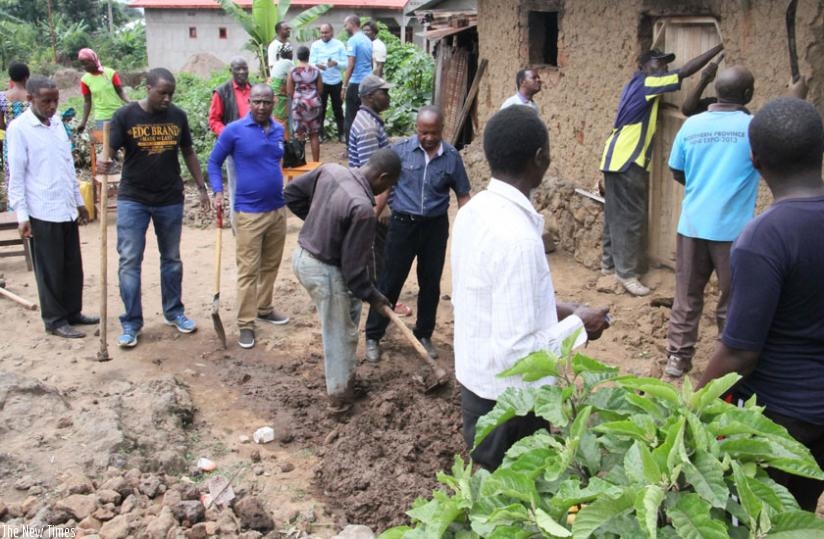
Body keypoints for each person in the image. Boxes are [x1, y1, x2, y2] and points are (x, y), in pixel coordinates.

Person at [452, 106, 610, 471]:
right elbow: (516, 353)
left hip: (478, 386)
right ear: (540, 158)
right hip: (511, 405)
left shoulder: (474, 213)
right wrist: (580, 327)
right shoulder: (519, 239)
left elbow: (493, 299)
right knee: (514, 501)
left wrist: (562, 308)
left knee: (489, 490)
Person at [697, 96, 824, 511]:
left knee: (745, 516)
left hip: (775, 422)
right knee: (799, 516)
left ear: (754, 160)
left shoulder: (764, 238)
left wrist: (691, 406)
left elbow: (740, 351)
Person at [599, 44, 723, 297]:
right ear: (643, 66)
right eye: (658, 63)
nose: (663, 68)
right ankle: (627, 274)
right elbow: (684, 72)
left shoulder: (635, 84)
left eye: (665, 64)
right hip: (628, 159)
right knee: (631, 218)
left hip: (614, 157)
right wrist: (717, 49)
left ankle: (608, 265)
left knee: (614, 214)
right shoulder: (647, 83)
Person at [285, 148, 401, 413]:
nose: (387, 192)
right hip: (323, 270)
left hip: (302, 256)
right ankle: (339, 401)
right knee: (339, 332)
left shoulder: (331, 170)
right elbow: (354, 273)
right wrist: (375, 296)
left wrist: (321, 223)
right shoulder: (362, 209)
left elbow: (291, 194)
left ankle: (347, 380)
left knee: (347, 320)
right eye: (390, 186)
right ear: (383, 177)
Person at [662, 66, 759, 379]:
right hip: (734, 232)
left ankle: (677, 359)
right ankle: (727, 359)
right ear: (747, 95)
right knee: (733, 299)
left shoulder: (692, 125)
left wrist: (701, 185)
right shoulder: (753, 128)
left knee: (687, 296)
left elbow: (676, 170)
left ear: (717, 91)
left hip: (691, 225)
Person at [107, 68, 211, 348]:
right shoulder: (125, 116)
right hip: (133, 198)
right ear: (148, 87)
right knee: (129, 260)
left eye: (171, 94)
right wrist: (107, 160)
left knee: (172, 258)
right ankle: (131, 322)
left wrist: (202, 188)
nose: (167, 99)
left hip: (169, 198)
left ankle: (174, 312)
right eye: (162, 92)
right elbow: (112, 151)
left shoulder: (177, 116)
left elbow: (188, 151)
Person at [364, 106, 471, 363]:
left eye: (434, 133)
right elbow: (384, 190)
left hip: (435, 228)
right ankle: (373, 336)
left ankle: (423, 334)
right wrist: (370, 221)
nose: (429, 138)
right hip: (402, 225)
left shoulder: (452, 157)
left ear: (442, 130)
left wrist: (470, 229)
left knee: (430, 283)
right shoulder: (399, 152)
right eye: (424, 132)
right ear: (416, 129)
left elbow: (463, 195)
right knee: (390, 280)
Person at [7, 76, 98, 338]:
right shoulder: (19, 128)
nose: (52, 106)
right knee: (50, 269)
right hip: (41, 210)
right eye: (46, 101)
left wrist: (79, 202)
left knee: (72, 265)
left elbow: (67, 166)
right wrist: (22, 215)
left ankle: (72, 312)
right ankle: (55, 320)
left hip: (65, 207)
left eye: (55, 100)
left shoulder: (57, 124)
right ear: (30, 99)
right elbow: (17, 175)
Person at [208, 84, 289, 349]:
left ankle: (264, 307)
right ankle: (245, 323)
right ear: (250, 102)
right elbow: (213, 162)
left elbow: (276, 160)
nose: (262, 107)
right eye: (257, 102)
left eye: (267, 102)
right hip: (249, 213)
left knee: (270, 265)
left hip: (277, 210)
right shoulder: (234, 131)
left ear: (273, 102)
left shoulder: (278, 129)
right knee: (248, 271)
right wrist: (218, 192)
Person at [208, 57, 251, 229]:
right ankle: (237, 227)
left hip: (254, 147)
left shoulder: (254, 90)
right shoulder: (222, 92)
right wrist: (228, 135)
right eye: (237, 69)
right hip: (234, 149)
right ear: (231, 71)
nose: (241, 72)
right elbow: (214, 120)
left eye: (244, 68)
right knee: (235, 188)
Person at [76, 48, 130, 133]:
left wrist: (130, 102)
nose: (84, 67)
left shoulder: (110, 73)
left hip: (118, 114)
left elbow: (120, 92)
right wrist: (83, 122)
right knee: (106, 144)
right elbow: (87, 102)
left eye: (86, 64)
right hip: (101, 117)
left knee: (122, 142)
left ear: (94, 60)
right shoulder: (85, 80)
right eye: (82, 64)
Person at [310, 23, 346, 143]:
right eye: (322, 32)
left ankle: (342, 134)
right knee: (321, 109)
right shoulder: (315, 45)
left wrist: (336, 63)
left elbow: (345, 64)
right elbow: (311, 63)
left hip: (336, 81)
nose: (323, 35)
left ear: (332, 32)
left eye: (326, 32)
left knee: (338, 109)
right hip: (321, 82)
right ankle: (320, 135)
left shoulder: (339, 45)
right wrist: (317, 65)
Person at [1, 62, 30, 207]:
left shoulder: (2, 97)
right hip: (30, 141)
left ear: (10, 77)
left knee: (13, 176)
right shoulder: (32, 97)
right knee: (31, 174)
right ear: (27, 77)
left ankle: (15, 208)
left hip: (10, 142)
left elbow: (0, 126)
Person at [287, 46, 322, 162]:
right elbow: (320, 89)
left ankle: (300, 163)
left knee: (299, 134)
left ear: (298, 56)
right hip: (313, 104)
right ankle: (316, 164)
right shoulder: (316, 71)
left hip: (299, 105)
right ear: (309, 56)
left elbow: (289, 90)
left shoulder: (293, 71)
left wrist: (298, 98)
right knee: (314, 134)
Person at [347, 74, 390, 168]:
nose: (388, 97)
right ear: (370, 97)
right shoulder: (368, 128)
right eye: (384, 93)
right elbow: (371, 172)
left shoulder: (366, 118)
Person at [342, 15, 373, 144]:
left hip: (355, 83)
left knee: (350, 117)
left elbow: (351, 64)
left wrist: (344, 86)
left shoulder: (353, 41)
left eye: (346, 25)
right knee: (366, 115)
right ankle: (366, 143)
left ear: (352, 24)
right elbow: (371, 62)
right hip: (368, 83)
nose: (345, 28)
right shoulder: (367, 40)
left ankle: (351, 148)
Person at [270, 44, 294, 129]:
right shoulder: (288, 62)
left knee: (277, 115)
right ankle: (284, 139)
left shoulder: (278, 62)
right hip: (280, 93)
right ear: (289, 54)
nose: (292, 54)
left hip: (274, 92)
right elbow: (294, 76)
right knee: (282, 117)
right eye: (291, 52)